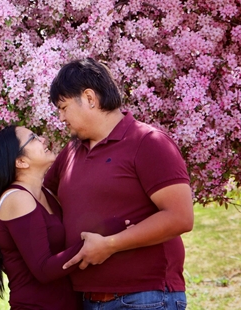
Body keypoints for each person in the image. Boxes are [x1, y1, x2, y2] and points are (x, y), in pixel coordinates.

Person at [43, 58, 194, 310]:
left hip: (144, 298)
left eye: (64, 107)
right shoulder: (71, 151)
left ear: (90, 98)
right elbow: (42, 196)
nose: (61, 117)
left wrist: (110, 245)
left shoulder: (148, 142)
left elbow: (181, 217)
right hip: (86, 298)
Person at [0, 125, 84, 309]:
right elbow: (43, 269)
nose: (43, 139)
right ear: (21, 161)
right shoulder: (18, 199)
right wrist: (95, 245)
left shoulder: (45, 193)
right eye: (33, 137)